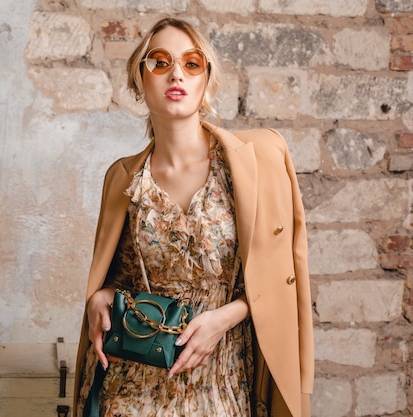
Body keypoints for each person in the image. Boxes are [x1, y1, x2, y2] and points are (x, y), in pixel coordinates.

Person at [73, 17, 314, 417]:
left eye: (191, 63)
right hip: (135, 385)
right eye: (160, 62)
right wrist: (100, 297)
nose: (176, 74)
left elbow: (285, 273)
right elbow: (116, 277)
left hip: (222, 382)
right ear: (139, 80)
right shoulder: (123, 178)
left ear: (207, 81)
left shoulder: (260, 160)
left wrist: (225, 317)